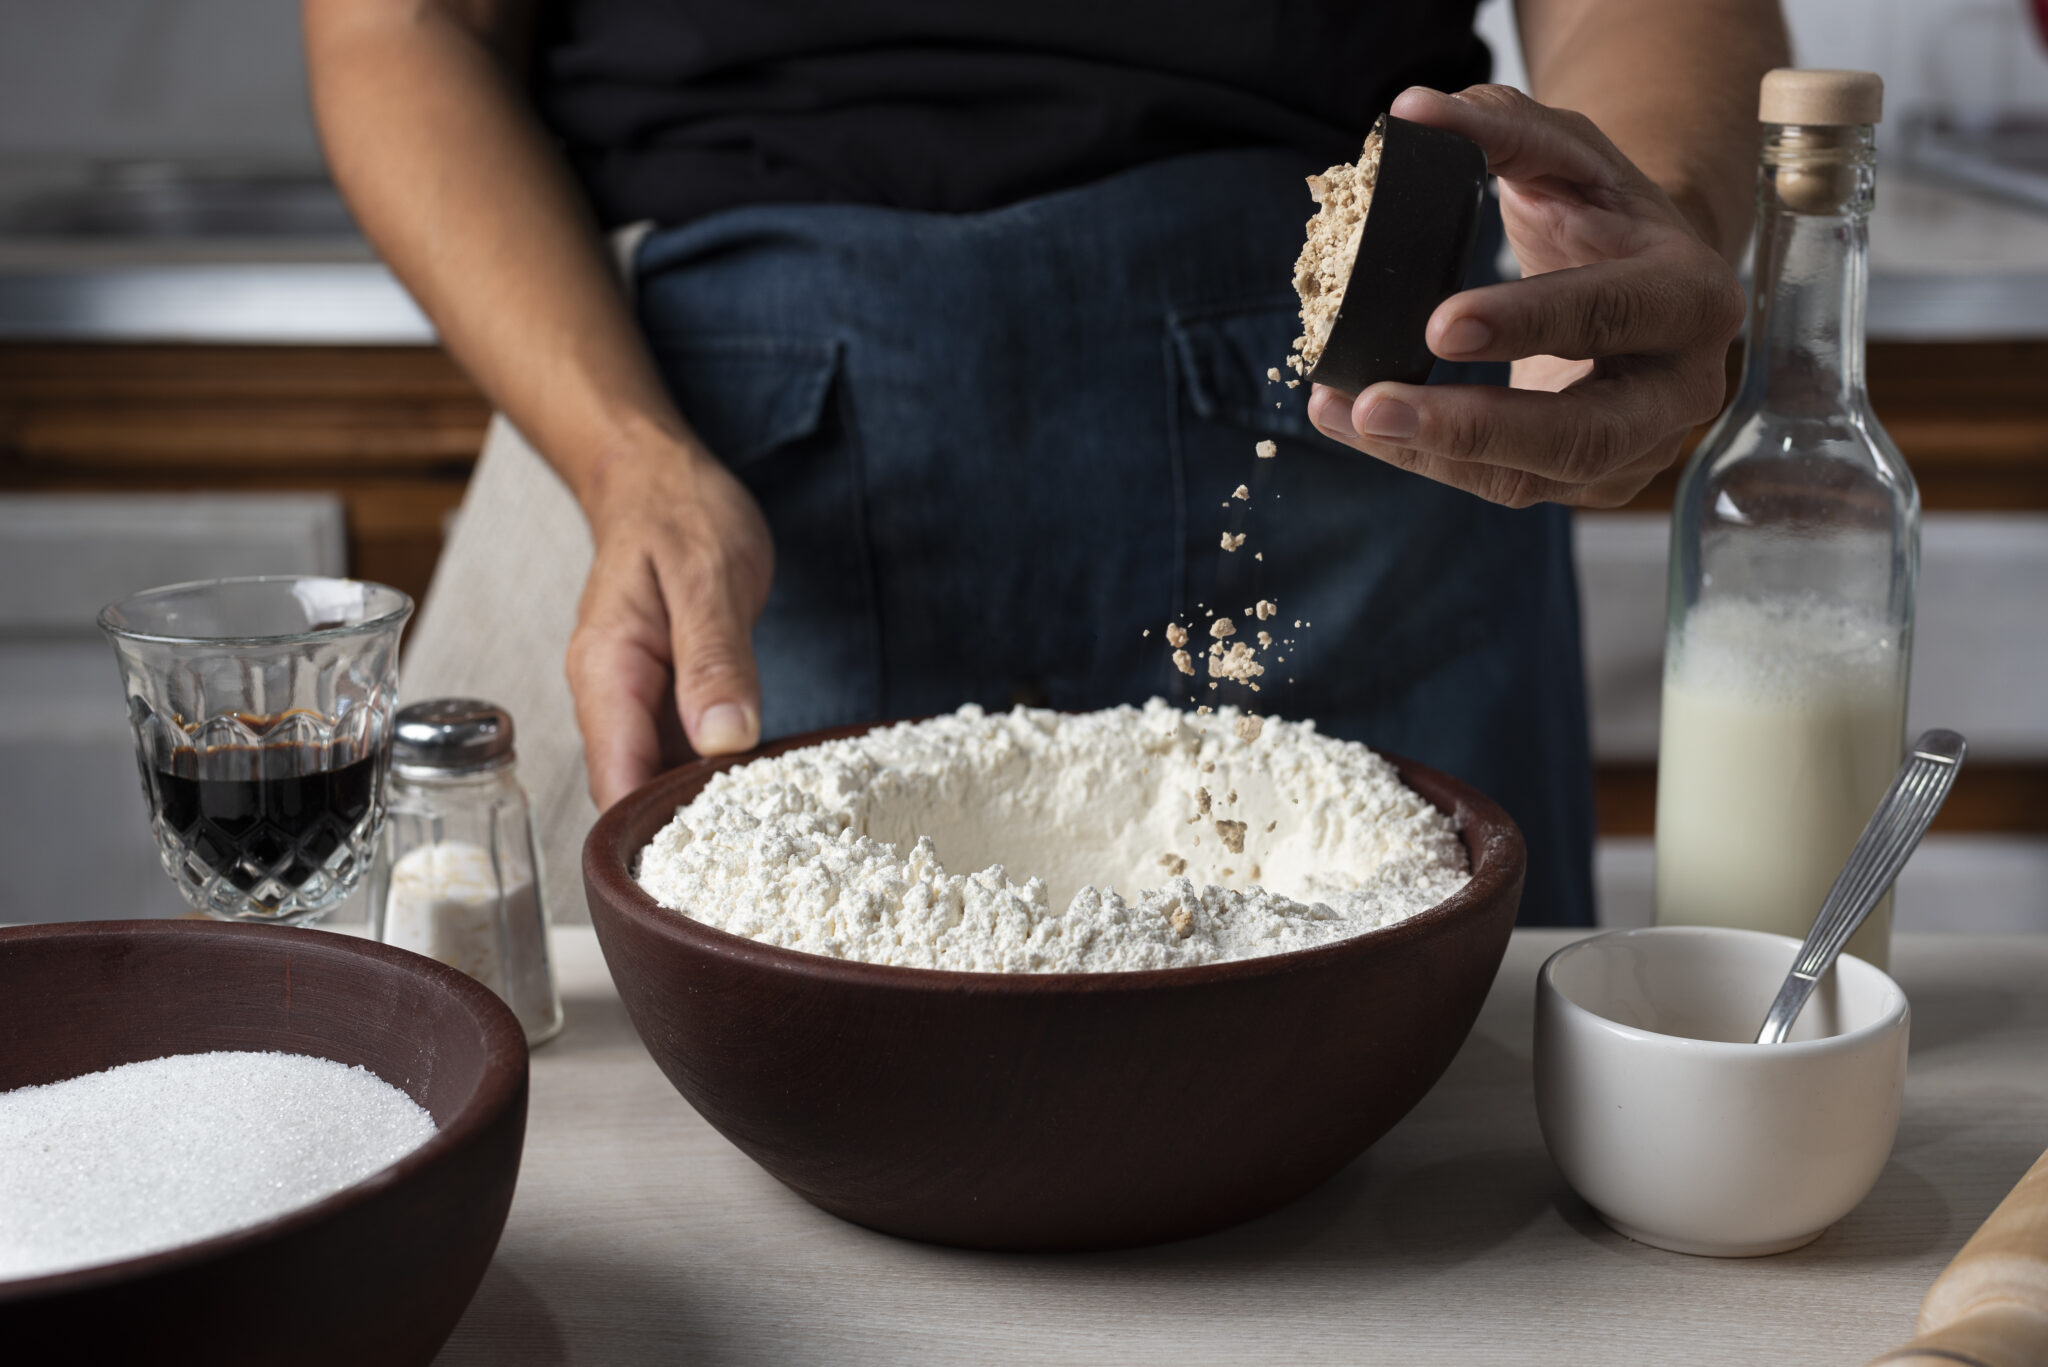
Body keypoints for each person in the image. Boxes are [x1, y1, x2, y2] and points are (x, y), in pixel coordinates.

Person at [303, 0, 1784, 926]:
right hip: (721, 469)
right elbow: (397, 25)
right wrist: (627, 460)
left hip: (1359, 441)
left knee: (1437, 1186)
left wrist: (1651, 214)